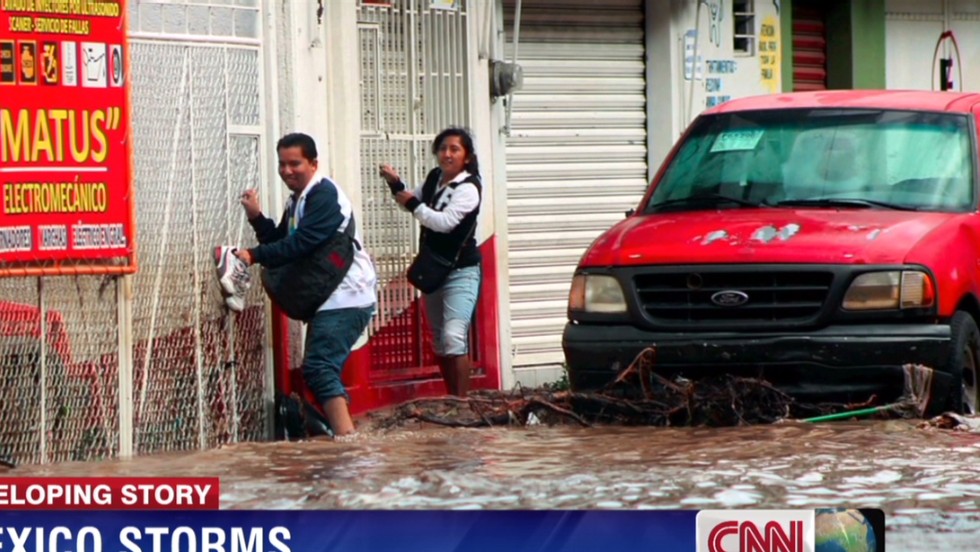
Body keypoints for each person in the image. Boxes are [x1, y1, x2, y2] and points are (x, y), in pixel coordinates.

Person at [236, 133, 377, 438]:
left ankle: (347, 443)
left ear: (313, 163)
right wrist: (257, 218)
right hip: (330, 297)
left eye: (295, 164)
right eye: (282, 164)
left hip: (347, 295)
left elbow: (301, 244)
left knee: (318, 367)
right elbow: (282, 242)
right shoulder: (299, 199)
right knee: (319, 368)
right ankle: (340, 436)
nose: (287, 171)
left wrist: (253, 256)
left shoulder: (324, 195)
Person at [379, 127, 482, 396]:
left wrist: (413, 204)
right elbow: (411, 200)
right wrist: (396, 185)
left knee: (453, 336)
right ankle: (452, 398)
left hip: (462, 270)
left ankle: (463, 403)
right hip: (435, 270)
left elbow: (444, 223)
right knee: (439, 340)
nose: (447, 154)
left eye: (454, 149)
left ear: (467, 157)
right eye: (442, 148)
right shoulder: (435, 178)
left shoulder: (469, 188)